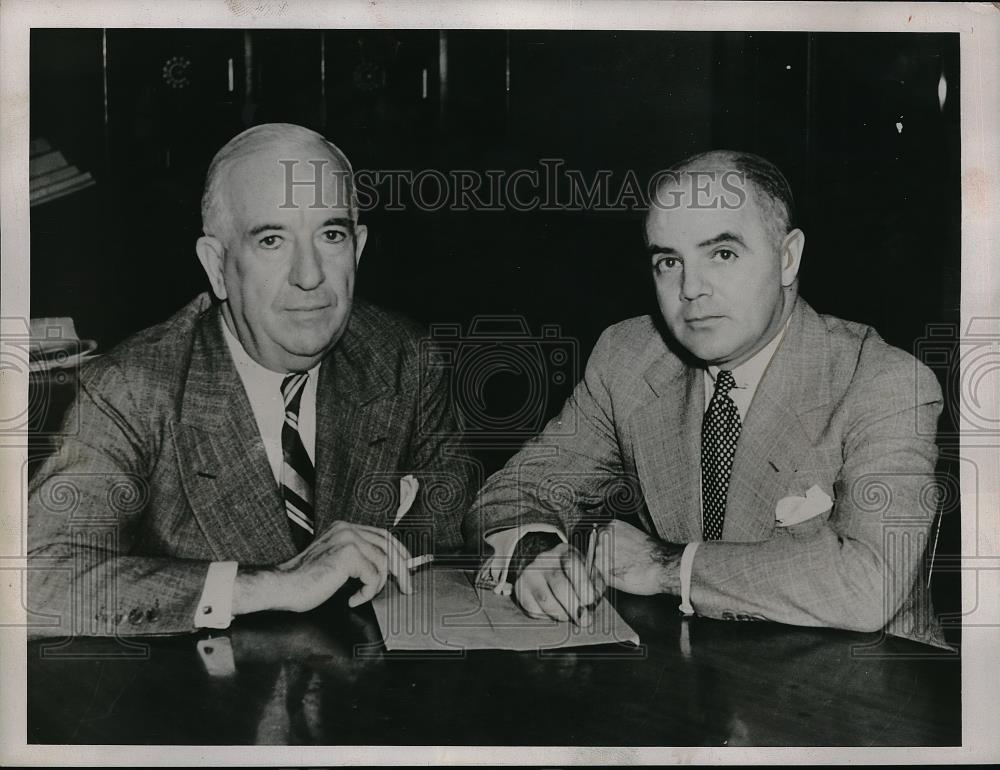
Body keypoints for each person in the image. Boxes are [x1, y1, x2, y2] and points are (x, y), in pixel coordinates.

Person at [466, 150, 947, 647]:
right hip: (698, 680)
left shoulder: (886, 382)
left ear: (787, 258)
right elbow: (516, 489)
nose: (690, 288)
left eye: (722, 253)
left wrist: (666, 566)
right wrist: (536, 548)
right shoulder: (629, 359)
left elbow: (868, 585)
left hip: (865, 696)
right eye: (669, 261)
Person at [28, 123, 475, 637]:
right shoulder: (131, 389)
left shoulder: (403, 358)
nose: (309, 275)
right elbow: (35, 582)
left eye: (331, 235)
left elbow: (453, 511)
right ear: (217, 266)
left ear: (359, 247)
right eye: (271, 240)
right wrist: (270, 585)